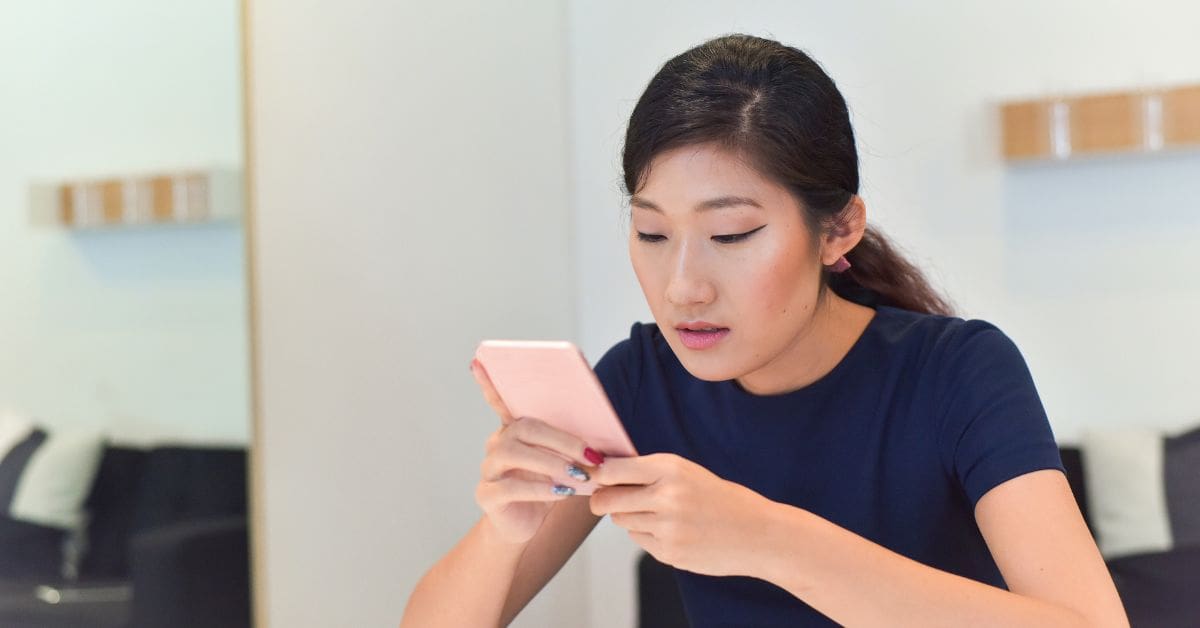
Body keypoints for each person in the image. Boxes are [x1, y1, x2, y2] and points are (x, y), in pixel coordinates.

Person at [401, 33, 1128, 627]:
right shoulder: (640, 383)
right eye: (652, 234)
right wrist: (507, 527)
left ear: (838, 229)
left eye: (731, 234)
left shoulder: (958, 372)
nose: (682, 286)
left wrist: (767, 539)